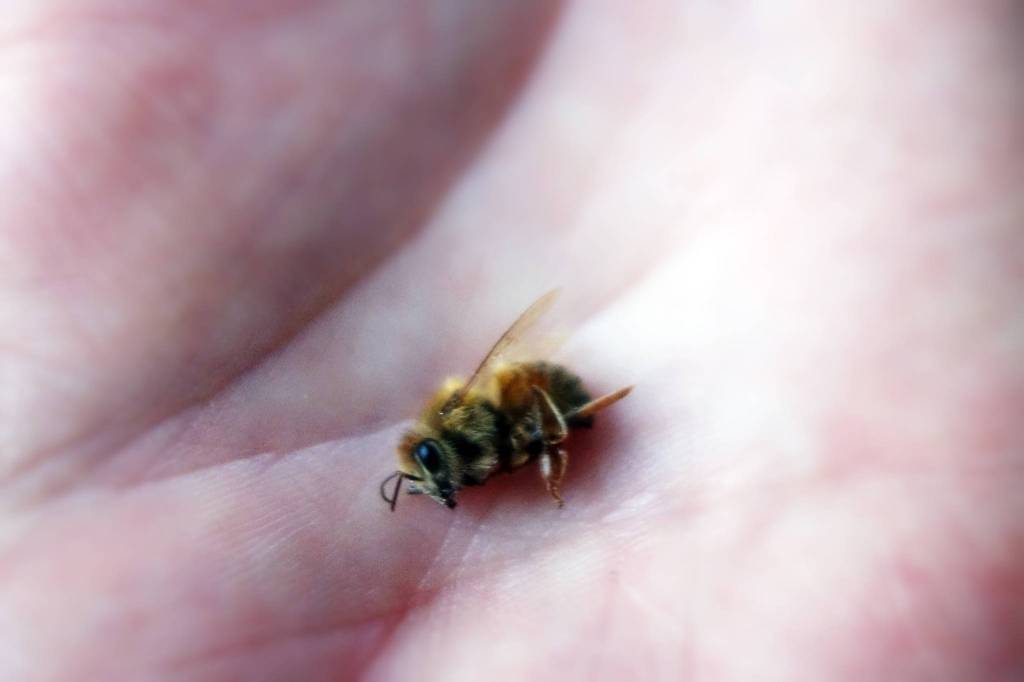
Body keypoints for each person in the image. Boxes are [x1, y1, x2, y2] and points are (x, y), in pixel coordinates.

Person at [1, 2, 1021, 680]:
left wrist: (555, 451)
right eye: (445, 473)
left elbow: (518, 410)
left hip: (554, 398)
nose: (444, 478)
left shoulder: (494, 434)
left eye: (438, 468)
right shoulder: (450, 429)